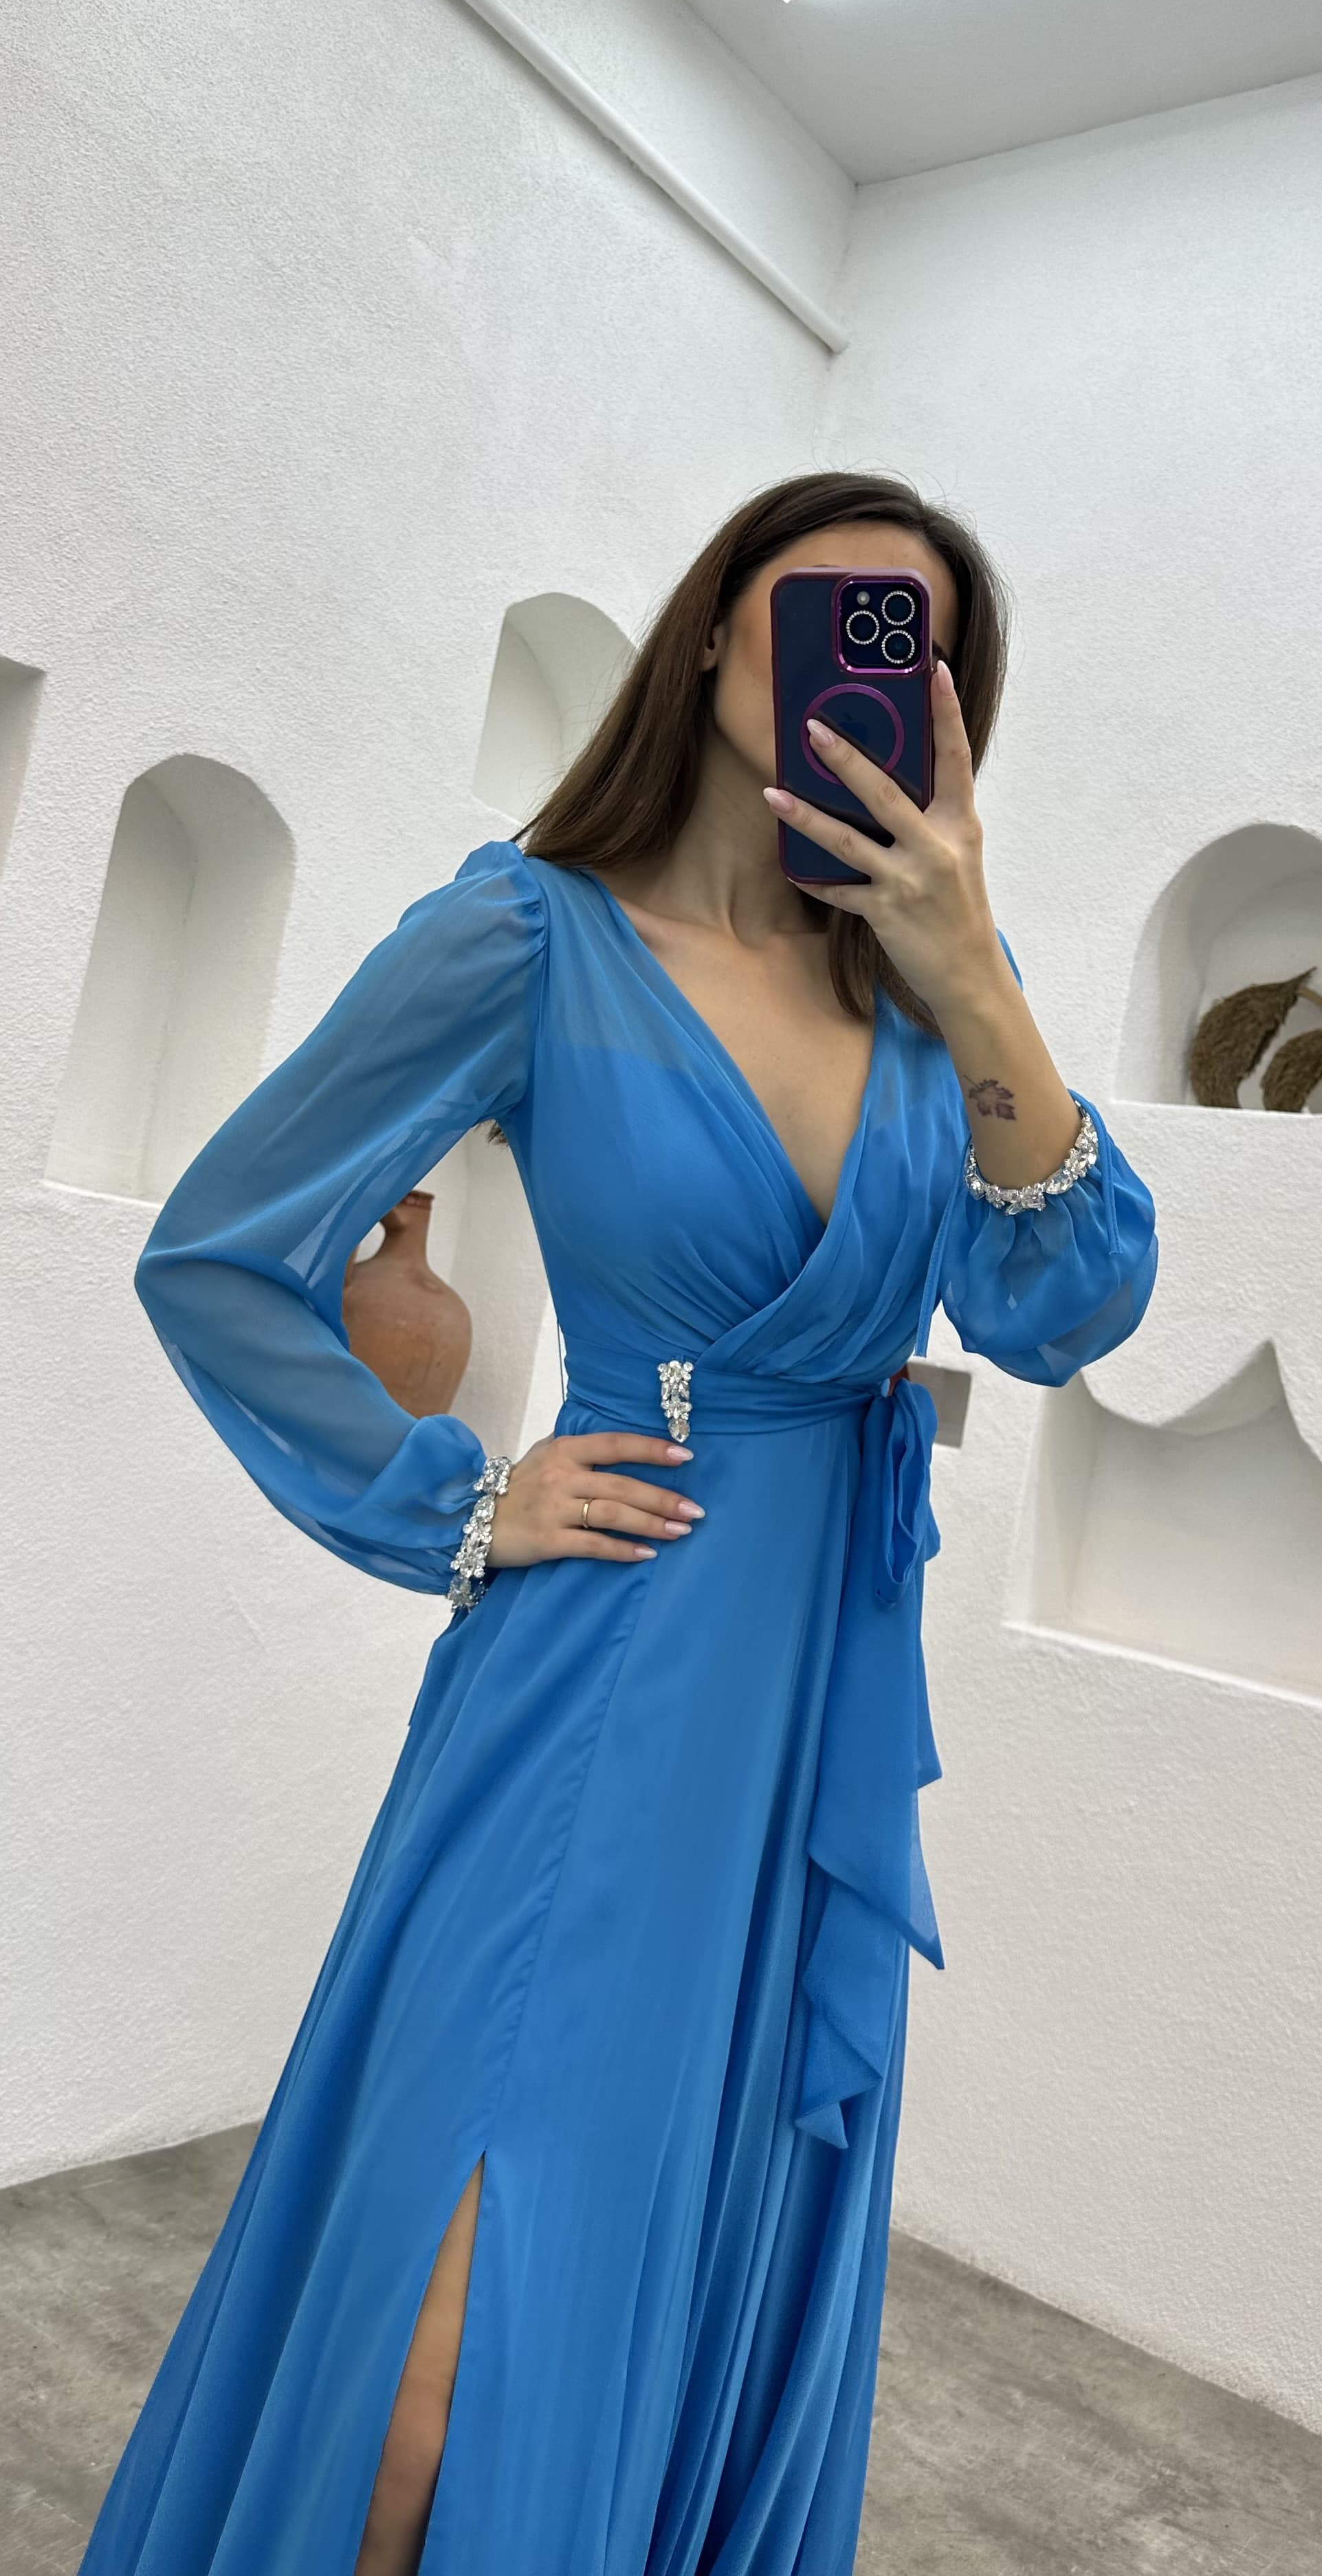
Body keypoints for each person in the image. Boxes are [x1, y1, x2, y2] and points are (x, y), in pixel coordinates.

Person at [81, 472, 1157, 2576]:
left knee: (682, 2265)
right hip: (601, 1664)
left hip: (811, 1711)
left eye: (916, 644)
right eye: (827, 607)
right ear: (714, 629)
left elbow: (1064, 1307)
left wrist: (970, 971)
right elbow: (219, 1253)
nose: (862, 661)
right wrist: (455, 1501)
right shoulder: (527, 935)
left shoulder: (934, 989)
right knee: (444, 2347)